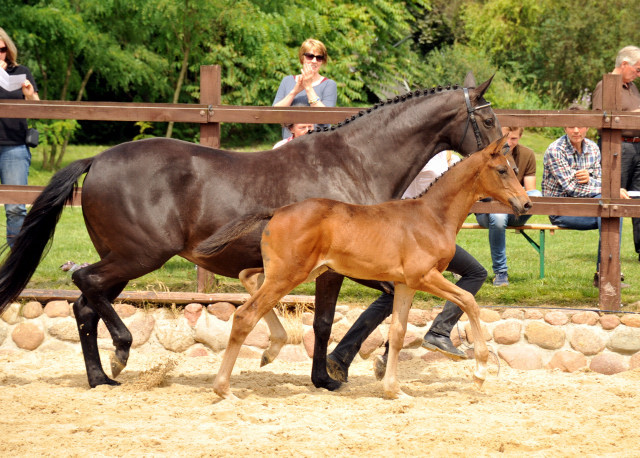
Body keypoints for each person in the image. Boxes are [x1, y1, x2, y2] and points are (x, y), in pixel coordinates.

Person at [326, 150, 488, 383]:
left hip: (430, 233)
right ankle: (438, 333)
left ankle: (345, 355)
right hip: (409, 232)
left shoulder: (446, 156)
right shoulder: (417, 153)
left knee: (398, 292)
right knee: (399, 290)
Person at [541, 104, 629, 286]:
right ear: (564, 127)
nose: (576, 130)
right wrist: (608, 189)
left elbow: (598, 178)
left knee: (612, 213)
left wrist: (590, 179)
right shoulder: (555, 150)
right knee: (608, 213)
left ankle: (603, 273)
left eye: (580, 125)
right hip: (562, 210)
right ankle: (607, 274)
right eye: (571, 126)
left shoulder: (593, 149)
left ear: (587, 127)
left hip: (589, 205)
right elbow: (571, 188)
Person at [475, 127, 541, 287]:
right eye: (505, 138)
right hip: (489, 210)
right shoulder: (485, 156)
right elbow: (481, 193)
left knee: (537, 194)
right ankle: (501, 272)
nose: (508, 143)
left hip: (515, 210)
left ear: (520, 138)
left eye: (514, 139)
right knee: (498, 216)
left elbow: (530, 191)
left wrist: (511, 198)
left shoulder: (527, 154)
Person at [592, 45, 640, 261]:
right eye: (637, 69)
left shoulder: (631, 87)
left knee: (638, 200)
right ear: (624, 64)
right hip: (617, 147)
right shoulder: (606, 86)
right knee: (614, 202)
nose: (638, 74)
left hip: (636, 146)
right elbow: (599, 119)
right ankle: (607, 265)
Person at [0, 28, 39, 248]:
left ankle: (15, 264)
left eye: (2, 49)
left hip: (13, 146)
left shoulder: (20, 71)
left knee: (15, 207)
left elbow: (36, 109)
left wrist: (29, 95)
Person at [273, 38, 337, 139]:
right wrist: (294, 92)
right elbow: (275, 114)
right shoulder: (287, 81)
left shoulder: (329, 84)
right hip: (290, 145)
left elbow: (325, 117)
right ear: (302, 58)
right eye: (310, 56)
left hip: (318, 143)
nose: (314, 61)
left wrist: (308, 87)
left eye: (319, 57)